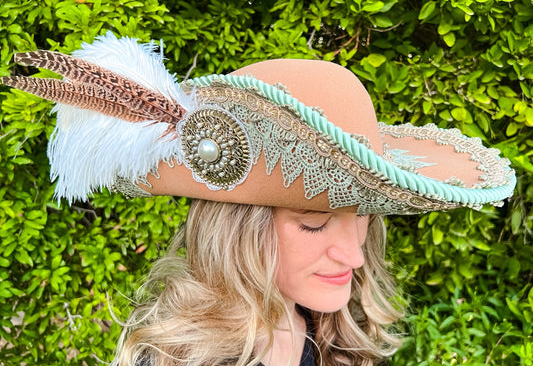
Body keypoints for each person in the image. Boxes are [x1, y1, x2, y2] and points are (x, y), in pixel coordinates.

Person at [1, 33, 516, 366]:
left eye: (360, 217)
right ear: (235, 231)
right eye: (313, 224)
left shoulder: (327, 335)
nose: (355, 255)